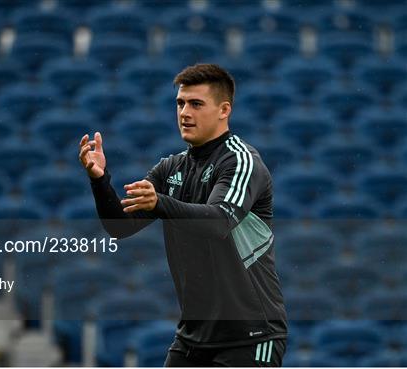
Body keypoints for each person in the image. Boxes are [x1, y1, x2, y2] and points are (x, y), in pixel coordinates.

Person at [79, 64, 288, 367]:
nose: (184, 112)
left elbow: (218, 222)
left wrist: (160, 204)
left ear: (224, 110)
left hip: (251, 336)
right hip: (193, 336)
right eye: (180, 103)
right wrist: (100, 181)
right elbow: (119, 228)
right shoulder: (170, 168)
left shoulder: (242, 162)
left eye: (196, 104)